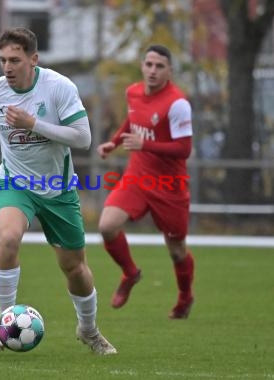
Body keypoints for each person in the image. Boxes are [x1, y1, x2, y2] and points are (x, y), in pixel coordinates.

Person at [0, 27, 117, 354]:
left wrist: (33, 124)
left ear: (34, 59)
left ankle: (88, 330)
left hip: (58, 190)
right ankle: (4, 321)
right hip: (15, 183)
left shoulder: (58, 88)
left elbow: (83, 138)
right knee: (9, 238)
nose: (7, 67)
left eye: (15, 59)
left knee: (75, 268)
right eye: (2, 60)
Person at [96, 45, 195, 319]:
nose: (153, 70)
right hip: (137, 176)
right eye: (149, 64)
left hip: (169, 185)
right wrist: (113, 143)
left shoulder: (178, 104)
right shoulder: (133, 92)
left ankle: (185, 297)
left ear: (170, 71)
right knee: (107, 226)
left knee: (176, 250)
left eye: (159, 66)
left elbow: (184, 149)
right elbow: (132, 120)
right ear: (142, 65)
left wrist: (146, 144)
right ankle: (130, 273)